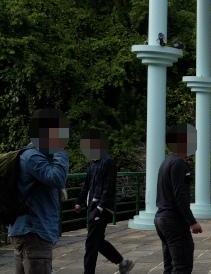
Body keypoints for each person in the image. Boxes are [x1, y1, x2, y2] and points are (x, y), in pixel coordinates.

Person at [8, 108, 70, 274]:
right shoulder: (32, 156)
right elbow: (57, 178)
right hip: (34, 233)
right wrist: (60, 149)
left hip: (29, 232)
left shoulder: (35, 156)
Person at [75, 131, 134, 274]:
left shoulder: (108, 161)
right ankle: (123, 262)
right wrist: (79, 202)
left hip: (102, 208)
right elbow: (87, 184)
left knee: (91, 243)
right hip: (93, 207)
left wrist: (100, 208)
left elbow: (108, 187)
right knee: (97, 241)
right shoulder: (93, 162)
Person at [156, 125, 202, 274]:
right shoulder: (179, 163)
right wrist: (192, 222)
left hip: (162, 218)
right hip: (173, 220)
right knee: (182, 266)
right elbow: (180, 196)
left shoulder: (166, 161)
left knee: (170, 267)